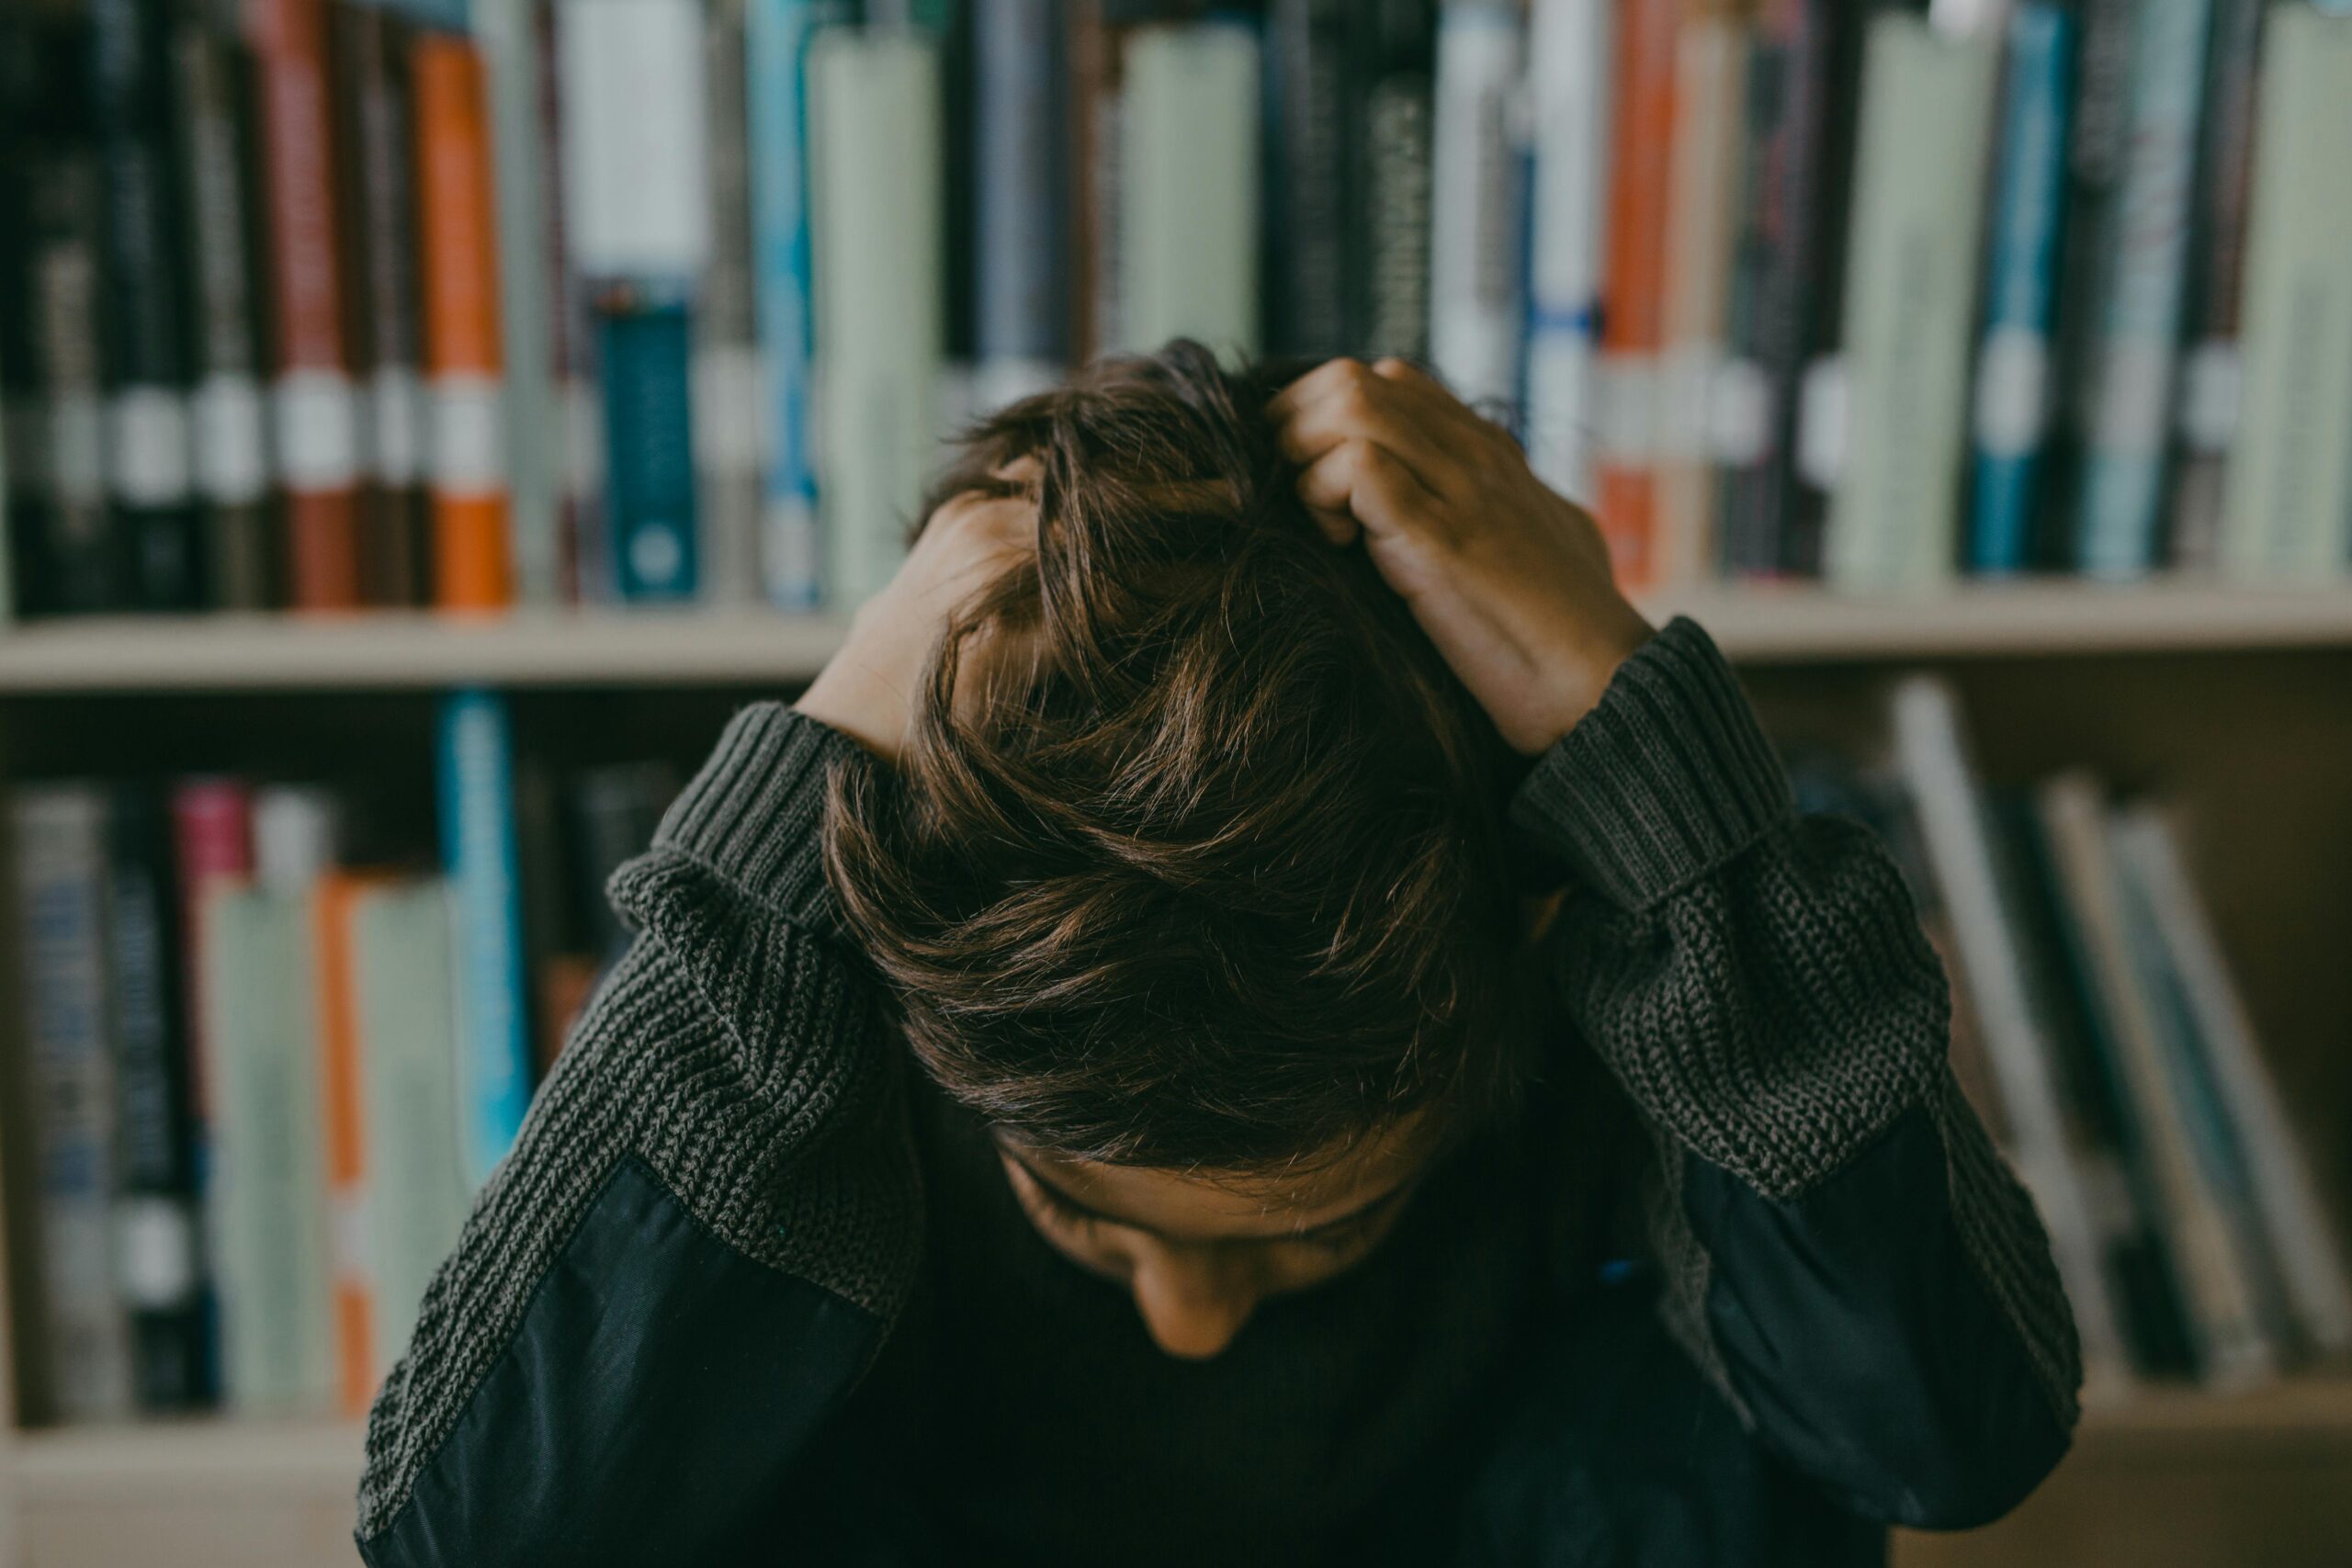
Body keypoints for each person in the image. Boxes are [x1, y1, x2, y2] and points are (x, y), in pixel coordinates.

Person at [353, 345, 2079, 1567]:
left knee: (1727, 1416)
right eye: (1086, 1211)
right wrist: (808, 793)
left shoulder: (1590, 994)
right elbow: (470, 1540)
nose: (1189, 1326)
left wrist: (1679, 810)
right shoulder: (902, 1016)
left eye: (1325, 1220)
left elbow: (1949, 1442)